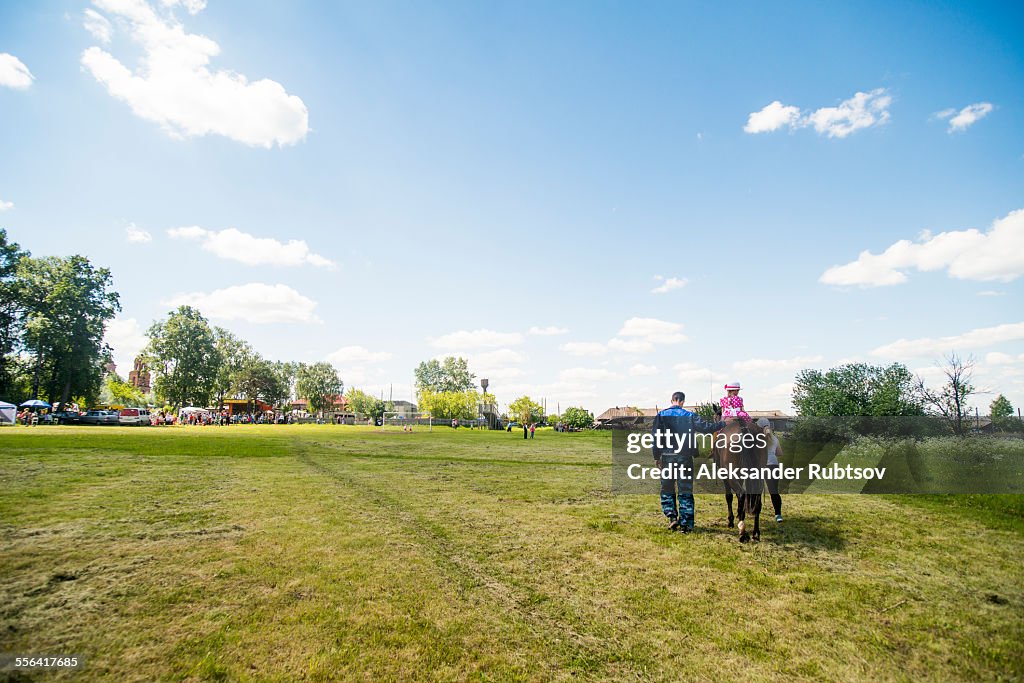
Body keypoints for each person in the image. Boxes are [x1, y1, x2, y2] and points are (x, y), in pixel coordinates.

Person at [652, 391, 726, 533]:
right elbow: (706, 428)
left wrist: (657, 457)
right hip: (685, 457)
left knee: (667, 488)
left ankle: (672, 517)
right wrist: (723, 423)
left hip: (667, 456)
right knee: (685, 489)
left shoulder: (661, 416)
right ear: (682, 402)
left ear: (672, 400)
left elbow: (656, 438)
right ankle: (686, 525)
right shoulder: (690, 416)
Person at [756, 417, 784, 522]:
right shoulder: (775, 439)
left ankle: (756, 511)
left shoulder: (757, 438)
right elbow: (780, 453)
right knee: (774, 491)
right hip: (773, 465)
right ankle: (778, 515)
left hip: (761, 466)